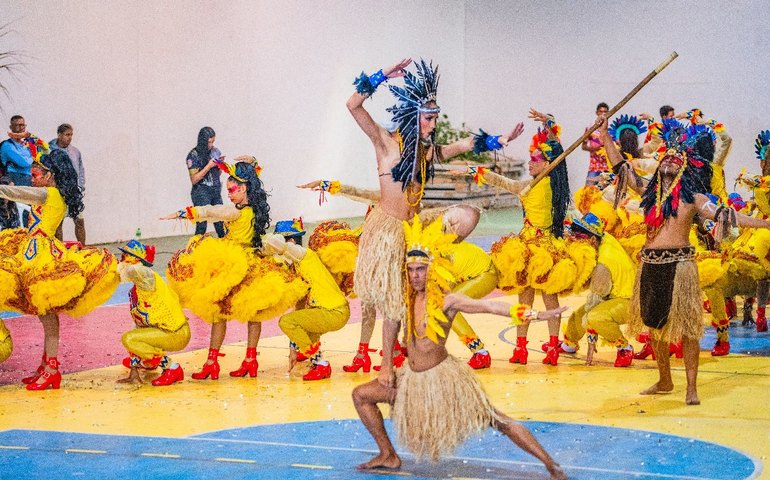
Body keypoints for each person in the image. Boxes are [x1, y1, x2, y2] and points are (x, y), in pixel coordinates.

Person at [352, 216, 567, 479]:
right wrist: (386, 365)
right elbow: (390, 325)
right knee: (361, 395)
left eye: (421, 269)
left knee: (497, 420)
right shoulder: (403, 299)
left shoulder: (447, 300)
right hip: (410, 381)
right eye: (411, 270)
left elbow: (489, 306)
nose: (415, 275)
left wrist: (536, 315)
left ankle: (549, 464)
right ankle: (388, 454)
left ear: (432, 269)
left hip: (444, 381)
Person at [345, 58, 522, 375]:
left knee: (468, 214)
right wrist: (381, 75)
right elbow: (353, 105)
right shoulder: (385, 142)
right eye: (429, 118)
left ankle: (418, 325)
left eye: (436, 118)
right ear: (414, 116)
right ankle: (387, 363)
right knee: (394, 303)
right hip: (388, 230)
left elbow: (463, 144)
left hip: (416, 228)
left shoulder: (426, 152)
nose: (434, 124)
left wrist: (498, 141)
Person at [602, 115, 770, 405]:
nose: (669, 160)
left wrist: (765, 225)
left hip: (680, 267)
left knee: (689, 328)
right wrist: (604, 135)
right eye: (666, 156)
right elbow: (621, 169)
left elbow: (726, 215)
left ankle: (691, 388)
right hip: (650, 266)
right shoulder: (649, 193)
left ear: (685, 167)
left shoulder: (694, 197)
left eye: (676, 158)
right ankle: (665, 380)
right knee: (654, 325)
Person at [164, 160, 308, 380]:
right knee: (235, 314)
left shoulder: (237, 212)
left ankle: (219, 362)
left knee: (230, 313)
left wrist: (186, 213)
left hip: (236, 265)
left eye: (232, 190)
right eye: (228, 190)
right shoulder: (252, 210)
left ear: (244, 189)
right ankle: (243, 361)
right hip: (240, 262)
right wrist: (249, 162)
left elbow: (214, 211)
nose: (229, 194)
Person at [468, 109, 583, 366]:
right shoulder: (542, 183)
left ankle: (527, 348)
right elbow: (555, 154)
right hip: (537, 246)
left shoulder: (541, 184)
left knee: (533, 298)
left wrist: (479, 171)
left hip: (535, 248)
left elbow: (556, 156)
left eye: (535, 160)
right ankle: (539, 348)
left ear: (546, 164)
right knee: (534, 298)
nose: (529, 163)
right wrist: (549, 126)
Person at [0, 149, 119, 390]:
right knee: (45, 312)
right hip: (34, 249)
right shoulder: (50, 193)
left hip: (41, 253)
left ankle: (52, 367)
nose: (32, 177)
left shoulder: (51, 194)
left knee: (47, 312)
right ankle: (47, 365)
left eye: (36, 173)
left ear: (50, 174)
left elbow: (18, 193)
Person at [264, 220, 350, 381]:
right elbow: (299, 310)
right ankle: (311, 356)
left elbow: (276, 244)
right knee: (302, 323)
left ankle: (320, 363)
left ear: (291, 241)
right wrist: (293, 348)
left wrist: (264, 246)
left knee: (286, 322)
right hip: (330, 311)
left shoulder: (305, 256)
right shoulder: (297, 267)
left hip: (333, 311)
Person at [562, 212, 636, 366]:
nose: (576, 241)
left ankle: (624, 348)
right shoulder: (605, 238)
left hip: (630, 302)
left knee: (594, 317)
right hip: (616, 295)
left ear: (593, 239)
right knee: (577, 316)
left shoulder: (603, 264)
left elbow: (594, 303)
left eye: (580, 238)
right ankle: (569, 344)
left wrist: (591, 341)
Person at [116, 240, 191, 386]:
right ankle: (146, 364)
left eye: (125, 256)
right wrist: (134, 369)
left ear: (136, 259)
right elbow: (139, 327)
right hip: (166, 330)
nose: (121, 259)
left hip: (176, 333)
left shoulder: (145, 276)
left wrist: (110, 265)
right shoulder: (138, 286)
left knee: (129, 339)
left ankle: (172, 367)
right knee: (135, 337)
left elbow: (131, 270)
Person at [0, 115, 48, 227]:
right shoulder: (7, 145)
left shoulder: (26, 143)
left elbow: (46, 149)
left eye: (23, 125)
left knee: (29, 211)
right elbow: (24, 162)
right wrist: (34, 153)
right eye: (18, 125)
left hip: (27, 180)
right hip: (13, 180)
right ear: (11, 127)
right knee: (17, 210)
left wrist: (31, 137)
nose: (21, 128)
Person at [186, 126, 225, 238]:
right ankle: (196, 249)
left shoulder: (215, 151)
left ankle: (226, 248)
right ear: (203, 141)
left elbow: (218, 174)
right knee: (201, 224)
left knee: (220, 222)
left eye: (213, 141)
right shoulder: (193, 155)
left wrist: (220, 166)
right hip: (201, 191)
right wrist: (208, 166)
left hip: (215, 190)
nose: (211, 145)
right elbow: (194, 180)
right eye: (209, 142)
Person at [50, 123, 86, 244]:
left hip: (74, 192)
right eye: (67, 135)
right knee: (58, 223)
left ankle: (83, 249)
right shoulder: (49, 150)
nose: (69, 137)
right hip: (58, 192)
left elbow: (80, 170)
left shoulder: (75, 152)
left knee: (79, 221)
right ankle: (59, 251)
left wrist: (80, 186)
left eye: (71, 135)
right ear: (59, 135)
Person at [581, 102, 610, 186]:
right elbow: (583, 146)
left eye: (605, 112)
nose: (603, 114)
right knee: (589, 192)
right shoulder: (590, 128)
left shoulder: (612, 129)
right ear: (596, 113)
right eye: (601, 111)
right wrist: (594, 149)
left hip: (608, 167)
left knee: (607, 194)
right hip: (594, 166)